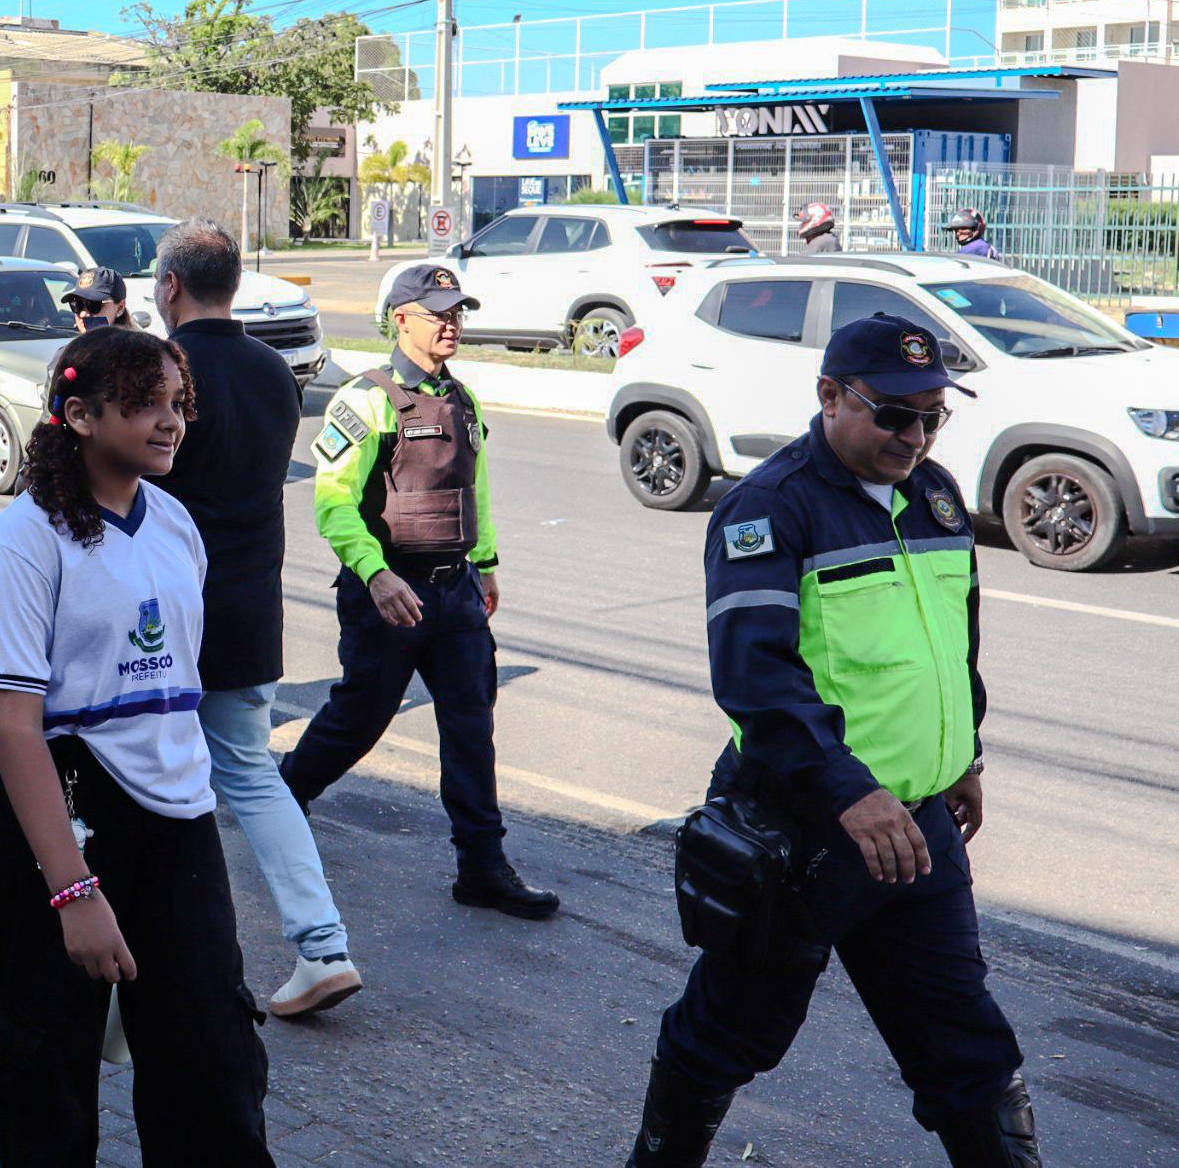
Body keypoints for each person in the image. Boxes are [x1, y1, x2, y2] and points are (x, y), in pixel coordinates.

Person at [621, 314, 1036, 1167]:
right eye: (895, 415)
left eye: (933, 417)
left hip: (917, 830)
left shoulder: (934, 496)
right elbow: (756, 680)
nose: (915, 437)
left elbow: (952, 645)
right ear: (830, 396)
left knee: (967, 1047)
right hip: (805, 832)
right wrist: (850, 792)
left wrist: (964, 755)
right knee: (730, 1032)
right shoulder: (771, 508)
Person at [0, 324, 270, 1167]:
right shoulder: (28, 537)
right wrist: (73, 892)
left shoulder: (173, 523)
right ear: (79, 415)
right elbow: (13, 724)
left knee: (213, 1061)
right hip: (60, 811)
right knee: (47, 1072)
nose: (171, 422)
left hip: (177, 818)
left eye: (178, 403)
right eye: (144, 405)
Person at [281, 263, 558, 919]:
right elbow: (334, 505)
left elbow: (474, 490)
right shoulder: (365, 400)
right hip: (389, 595)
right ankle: (284, 797)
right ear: (402, 319)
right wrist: (375, 574)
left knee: (471, 728)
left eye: (457, 312)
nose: (452, 324)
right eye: (439, 313)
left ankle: (482, 868)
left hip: (455, 592)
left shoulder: (463, 401)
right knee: (360, 718)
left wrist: (485, 563)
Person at [151, 220, 358, 1017]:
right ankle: (323, 944)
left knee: (146, 780)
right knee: (250, 774)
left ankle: (171, 966)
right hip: (248, 612)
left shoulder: (164, 370)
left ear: (170, 286)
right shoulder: (276, 371)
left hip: (163, 617)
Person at [60, 265, 130, 332]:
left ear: (120, 308)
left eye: (94, 304)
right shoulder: (68, 339)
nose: (83, 314)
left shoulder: (131, 340)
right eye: (77, 305)